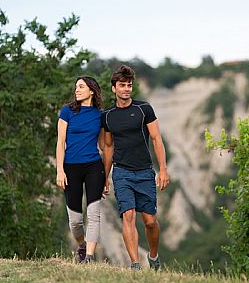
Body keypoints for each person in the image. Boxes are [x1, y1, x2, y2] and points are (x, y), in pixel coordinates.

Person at [102, 65, 169, 271]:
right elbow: (108, 147)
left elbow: (157, 139)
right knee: (128, 215)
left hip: (145, 172)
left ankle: (154, 257)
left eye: (129, 85)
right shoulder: (107, 116)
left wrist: (163, 170)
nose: (126, 89)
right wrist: (105, 178)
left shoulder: (144, 109)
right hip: (121, 173)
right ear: (114, 88)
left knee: (150, 222)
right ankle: (135, 265)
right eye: (122, 85)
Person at [56, 76, 109, 264]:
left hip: (94, 167)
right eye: (76, 87)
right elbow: (60, 143)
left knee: (94, 214)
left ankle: (89, 257)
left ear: (92, 91)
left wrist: (107, 176)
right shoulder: (67, 112)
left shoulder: (100, 115)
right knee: (76, 220)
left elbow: (104, 146)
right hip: (70, 168)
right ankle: (82, 245)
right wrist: (59, 171)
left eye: (81, 86)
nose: (76, 90)